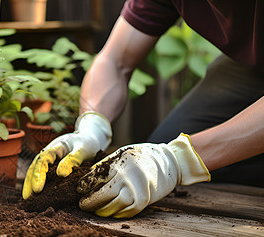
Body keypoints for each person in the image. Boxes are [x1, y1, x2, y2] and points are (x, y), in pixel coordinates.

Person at [22, 0, 264, 218]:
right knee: (157, 155)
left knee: (180, 163)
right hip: (250, 69)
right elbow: (114, 60)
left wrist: (179, 160)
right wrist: (91, 127)